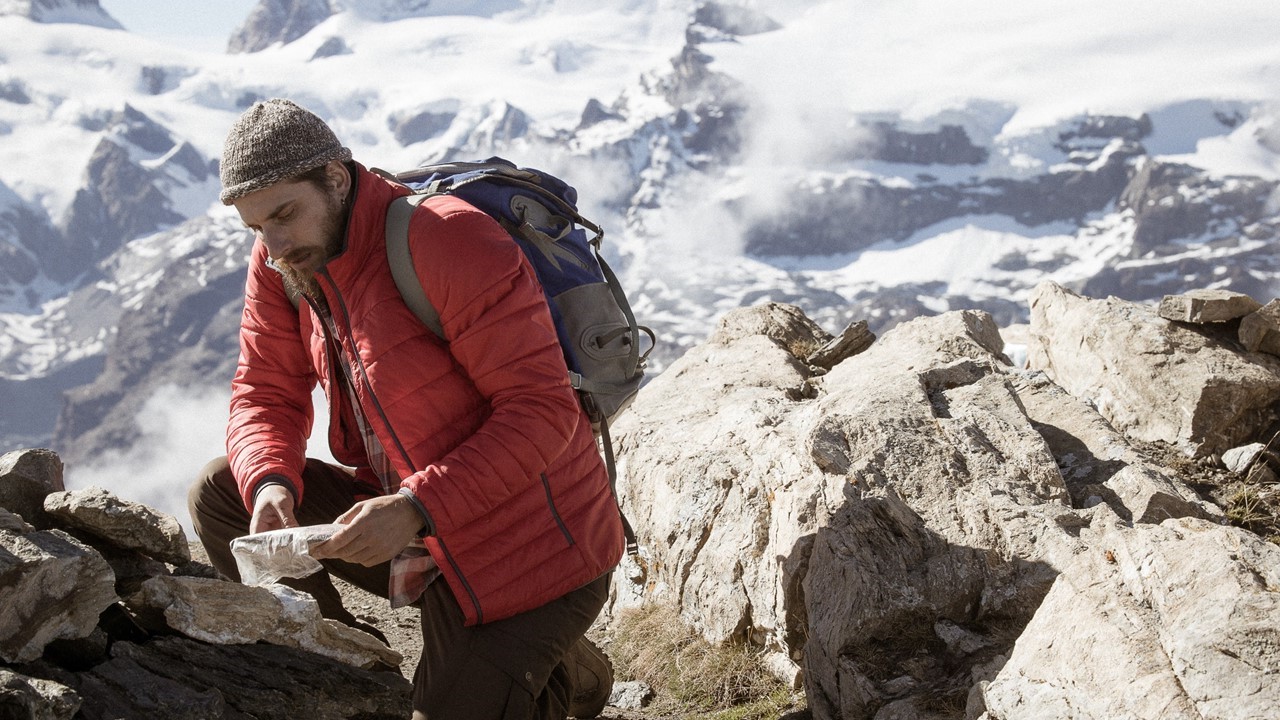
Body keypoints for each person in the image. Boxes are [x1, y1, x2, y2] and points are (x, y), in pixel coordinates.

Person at [188, 98, 624, 719]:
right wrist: (268, 482)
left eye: (285, 214)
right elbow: (265, 389)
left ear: (336, 179)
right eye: (257, 228)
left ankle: (547, 661)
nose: (275, 244)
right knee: (222, 492)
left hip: (529, 547)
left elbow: (542, 412)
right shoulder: (285, 262)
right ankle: (346, 675)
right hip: (415, 532)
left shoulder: (448, 238)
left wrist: (419, 506)